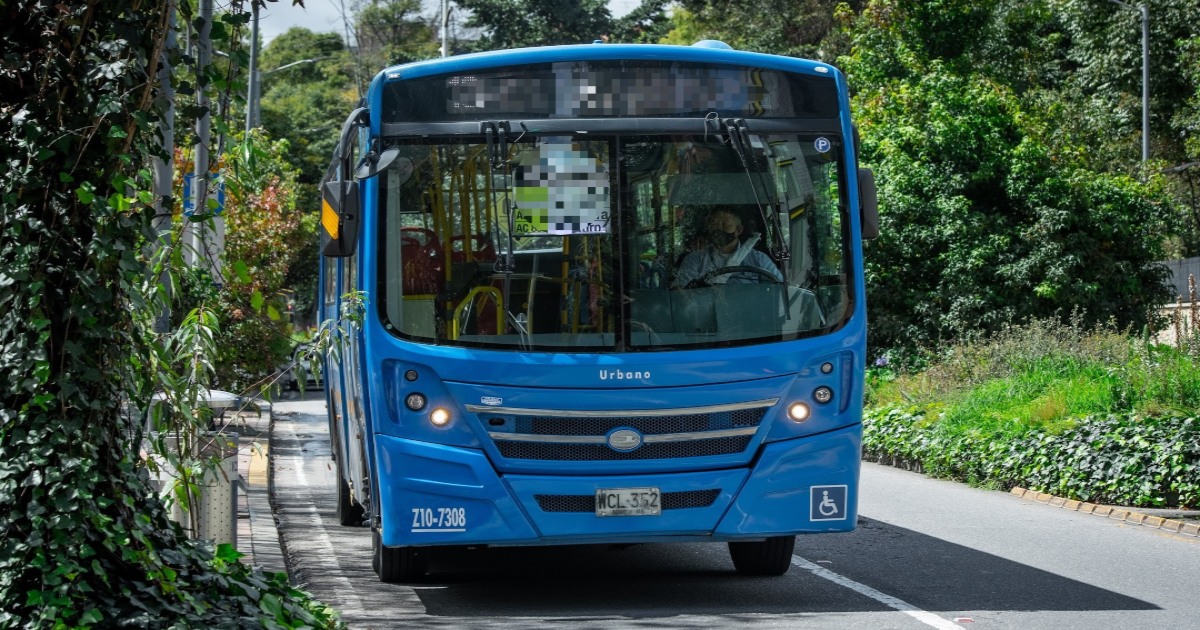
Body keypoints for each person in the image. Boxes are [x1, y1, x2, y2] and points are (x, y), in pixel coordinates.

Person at [673, 208, 782, 288]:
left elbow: (778, 289)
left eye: (725, 226)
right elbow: (683, 293)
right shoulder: (695, 259)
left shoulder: (758, 260)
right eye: (714, 225)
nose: (718, 230)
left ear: (738, 230)